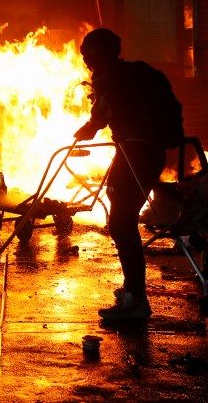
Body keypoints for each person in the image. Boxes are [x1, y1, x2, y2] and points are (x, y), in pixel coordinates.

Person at [73, 28, 184, 320]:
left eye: (88, 52)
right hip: (149, 152)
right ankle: (132, 290)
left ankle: (136, 299)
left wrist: (87, 129)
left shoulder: (108, 76)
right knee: (123, 218)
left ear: (97, 53)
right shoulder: (139, 72)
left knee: (122, 222)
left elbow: (103, 112)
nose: (85, 58)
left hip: (136, 153)